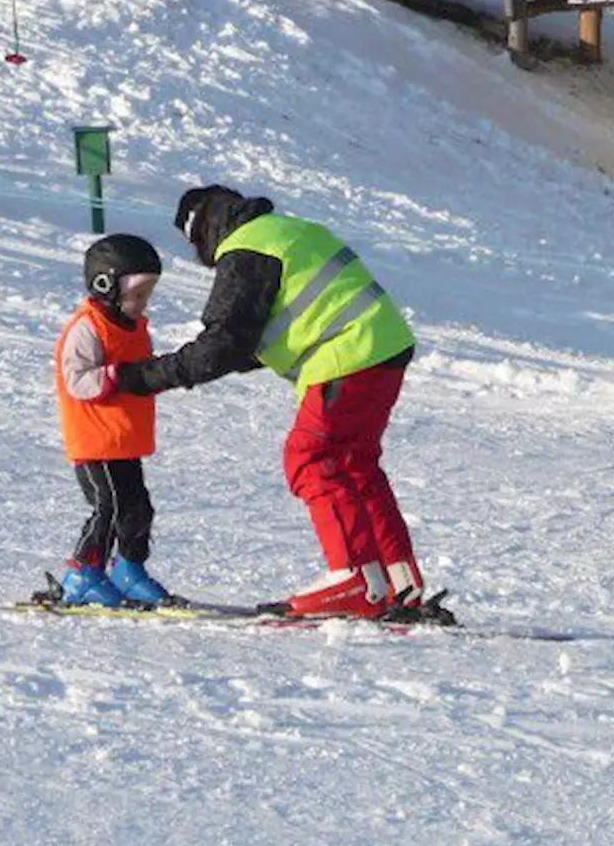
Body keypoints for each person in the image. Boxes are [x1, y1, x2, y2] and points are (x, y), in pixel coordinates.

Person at [113, 185, 424, 619]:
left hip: (345, 353)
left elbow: (224, 342)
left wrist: (146, 377)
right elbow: (249, 340)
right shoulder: (286, 231)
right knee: (356, 465)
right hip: (382, 346)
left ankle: (351, 578)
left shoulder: (245, 249)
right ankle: (397, 581)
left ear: (204, 229)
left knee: (313, 458)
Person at [54, 234, 171, 606]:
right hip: (96, 442)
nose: (142, 304)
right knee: (109, 506)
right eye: (136, 295)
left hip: (123, 440)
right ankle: (82, 573)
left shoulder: (134, 328)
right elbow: (77, 380)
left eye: (146, 295)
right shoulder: (88, 328)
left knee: (138, 507)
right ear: (105, 285)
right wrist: (120, 376)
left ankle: (128, 569)